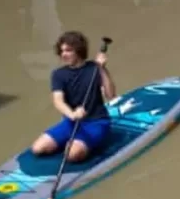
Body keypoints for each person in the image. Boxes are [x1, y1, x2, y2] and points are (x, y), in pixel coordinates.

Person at [31, 31, 117, 163]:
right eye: (61, 51)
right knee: (37, 149)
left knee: (72, 156)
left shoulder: (94, 68)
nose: (63, 54)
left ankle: (82, 145)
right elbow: (58, 101)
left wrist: (102, 69)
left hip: (96, 122)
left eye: (68, 50)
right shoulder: (58, 74)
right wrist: (72, 115)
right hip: (71, 122)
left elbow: (111, 95)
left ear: (79, 50)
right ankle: (72, 142)